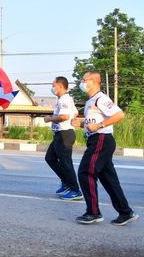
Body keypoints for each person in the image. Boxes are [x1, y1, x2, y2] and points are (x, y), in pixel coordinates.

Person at [70, 71, 139, 225]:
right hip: (98, 140)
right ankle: (125, 212)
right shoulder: (90, 101)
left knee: (85, 172)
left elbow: (119, 115)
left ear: (94, 81)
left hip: (101, 139)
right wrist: (81, 124)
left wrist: (100, 125)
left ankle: (93, 213)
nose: (82, 82)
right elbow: (93, 123)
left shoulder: (101, 98)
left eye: (84, 79)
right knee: (109, 179)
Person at [43, 76, 82, 200]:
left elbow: (64, 116)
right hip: (60, 134)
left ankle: (75, 190)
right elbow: (75, 112)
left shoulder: (64, 99)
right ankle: (66, 182)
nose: (52, 87)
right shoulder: (66, 99)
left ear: (60, 86)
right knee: (50, 158)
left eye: (53, 85)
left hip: (64, 134)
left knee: (66, 163)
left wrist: (50, 119)